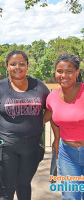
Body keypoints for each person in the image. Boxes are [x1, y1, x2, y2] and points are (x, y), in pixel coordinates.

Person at [0, 50, 50, 200]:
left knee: (24, 185)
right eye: (13, 64)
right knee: (7, 187)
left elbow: (51, 108)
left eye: (22, 64)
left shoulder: (39, 86)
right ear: (7, 66)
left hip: (32, 146)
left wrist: (39, 120)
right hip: (5, 146)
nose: (17, 67)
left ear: (27, 66)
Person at [45, 53, 84, 200]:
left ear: (77, 72)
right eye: (60, 71)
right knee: (70, 196)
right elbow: (51, 118)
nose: (64, 75)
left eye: (69, 71)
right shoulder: (52, 97)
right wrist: (56, 137)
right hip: (67, 154)